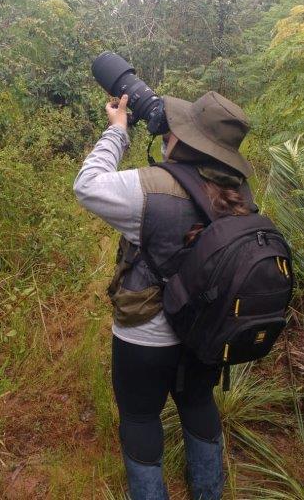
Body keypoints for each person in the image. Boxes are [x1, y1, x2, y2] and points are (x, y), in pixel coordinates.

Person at [73, 90, 254, 500]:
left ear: (184, 138)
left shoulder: (149, 188)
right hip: (206, 332)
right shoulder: (241, 194)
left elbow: (86, 185)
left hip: (145, 335)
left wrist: (117, 131)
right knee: (198, 405)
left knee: (139, 418)